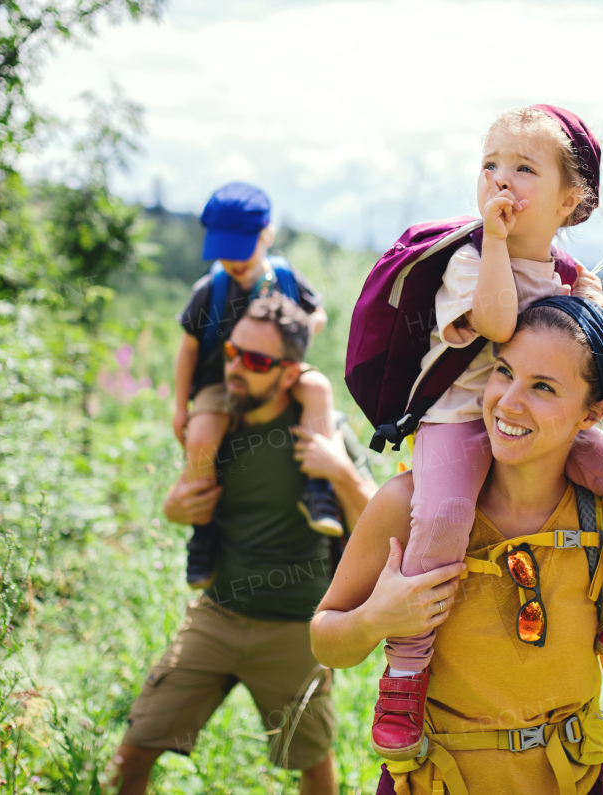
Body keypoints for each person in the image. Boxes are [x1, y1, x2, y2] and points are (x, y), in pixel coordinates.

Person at [363, 105, 603, 761]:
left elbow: (590, 363)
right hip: (460, 418)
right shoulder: (467, 259)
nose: (500, 181)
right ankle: (405, 672)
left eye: (522, 168)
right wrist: (492, 241)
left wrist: (589, 306)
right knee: (447, 512)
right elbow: (494, 322)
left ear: (571, 201)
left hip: (532, 430)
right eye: (489, 165)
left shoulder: (569, 275)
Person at [311, 290, 603, 794]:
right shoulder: (410, 503)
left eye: (543, 387)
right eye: (504, 371)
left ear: (592, 414)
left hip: (572, 781)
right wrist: (374, 620)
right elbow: (326, 641)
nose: (508, 402)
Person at [111, 295, 379, 795]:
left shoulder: (323, 430)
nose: (235, 368)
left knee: (312, 764)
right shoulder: (216, 428)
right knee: (132, 753)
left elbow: (378, 526)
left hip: (297, 630)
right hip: (217, 616)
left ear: (289, 374)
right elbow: (178, 503)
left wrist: (339, 471)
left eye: (256, 361)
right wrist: (175, 508)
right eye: (234, 352)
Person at [173, 182, 343, 590]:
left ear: (266, 235)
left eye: (241, 248)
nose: (233, 260)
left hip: (278, 370)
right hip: (222, 380)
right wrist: (182, 406)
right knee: (201, 437)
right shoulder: (210, 291)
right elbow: (189, 350)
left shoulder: (283, 278)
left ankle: (319, 489)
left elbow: (316, 314)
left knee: (317, 388)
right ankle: (204, 530)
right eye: (224, 251)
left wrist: (295, 333)